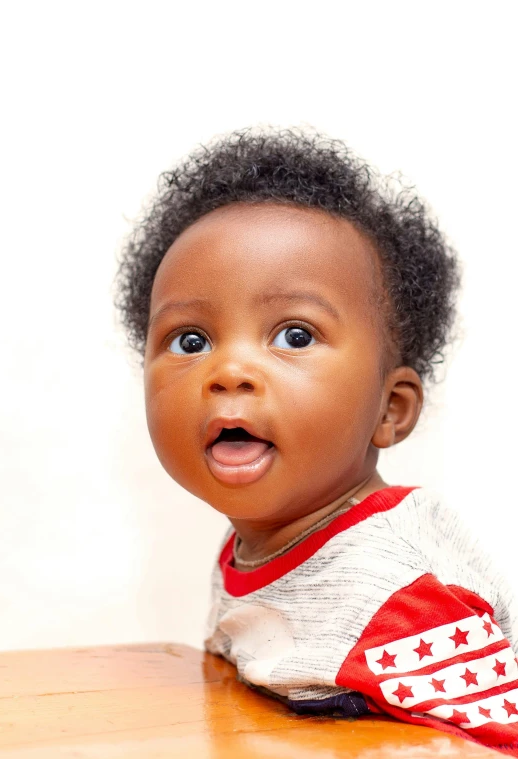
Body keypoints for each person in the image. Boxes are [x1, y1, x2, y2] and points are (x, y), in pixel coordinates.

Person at [115, 127, 518, 755]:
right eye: (191, 341)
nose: (229, 371)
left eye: (294, 336)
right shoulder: (263, 537)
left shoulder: (400, 596)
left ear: (390, 409)